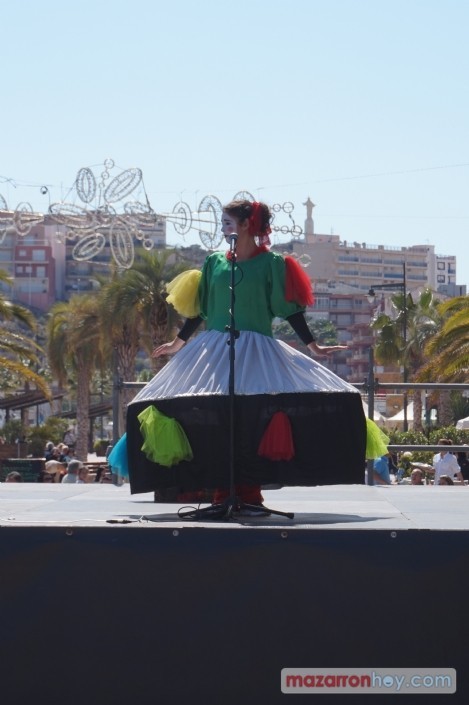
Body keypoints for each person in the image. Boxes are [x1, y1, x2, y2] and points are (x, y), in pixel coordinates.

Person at [125, 199, 368, 510]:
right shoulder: (214, 262)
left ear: (246, 225)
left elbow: (288, 309)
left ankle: (249, 492)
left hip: (255, 348)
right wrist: (178, 343)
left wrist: (312, 345)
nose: (223, 228)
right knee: (214, 414)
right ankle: (221, 493)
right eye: (222, 222)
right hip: (214, 348)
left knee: (252, 416)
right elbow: (201, 308)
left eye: (228, 222)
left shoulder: (272, 264)